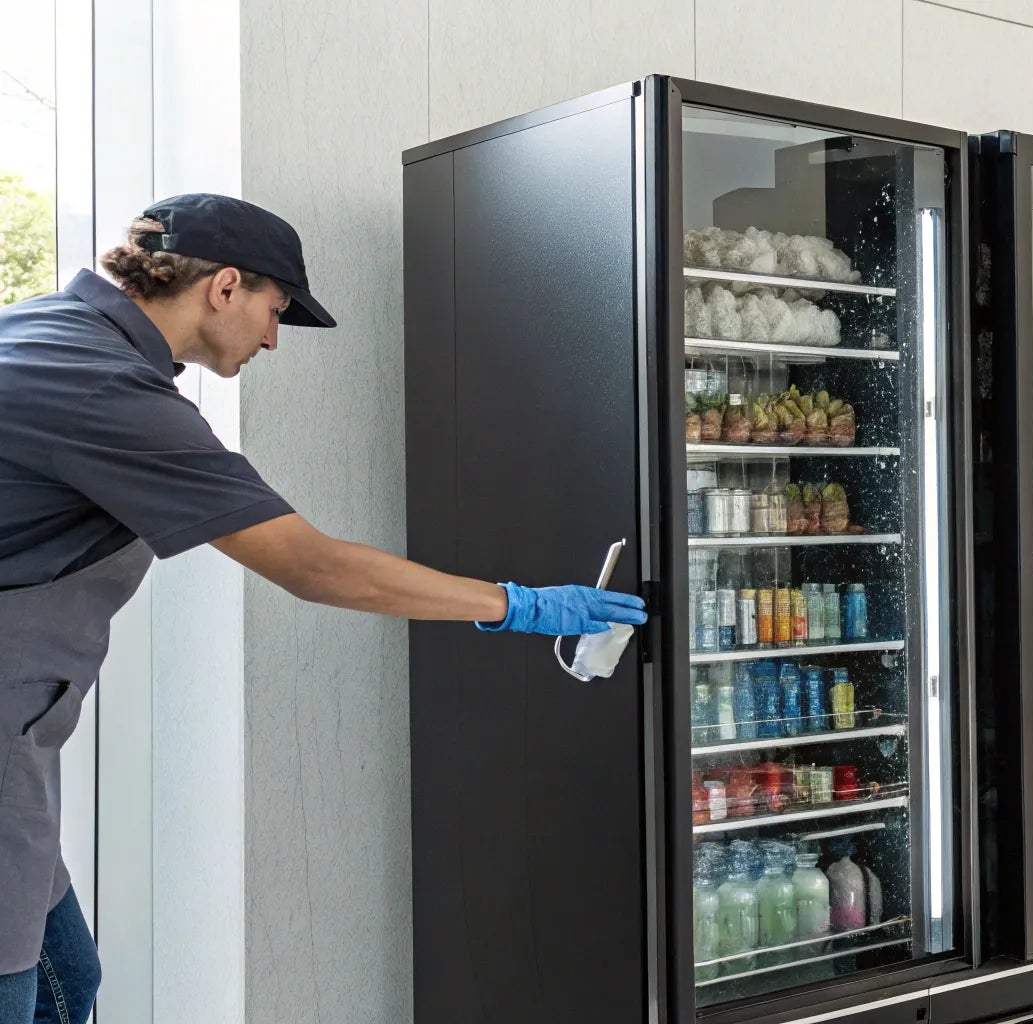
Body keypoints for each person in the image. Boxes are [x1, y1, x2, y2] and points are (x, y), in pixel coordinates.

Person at [0, 194, 646, 1022]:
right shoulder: (109, 390)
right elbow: (314, 566)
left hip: (22, 738)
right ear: (225, 286)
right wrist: (517, 606)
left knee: (67, 984)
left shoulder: (43, 331)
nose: (273, 337)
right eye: (276, 310)